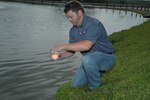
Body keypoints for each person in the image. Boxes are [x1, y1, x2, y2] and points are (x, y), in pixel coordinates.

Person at [49, 0, 115, 91]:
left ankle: (95, 88)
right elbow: (71, 52)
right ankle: (97, 71)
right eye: (67, 17)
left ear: (79, 13)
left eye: (71, 17)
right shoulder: (72, 31)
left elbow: (86, 46)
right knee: (75, 85)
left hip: (107, 58)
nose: (69, 20)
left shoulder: (94, 24)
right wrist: (58, 55)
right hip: (89, 62)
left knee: (88, 59)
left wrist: (61, 46)